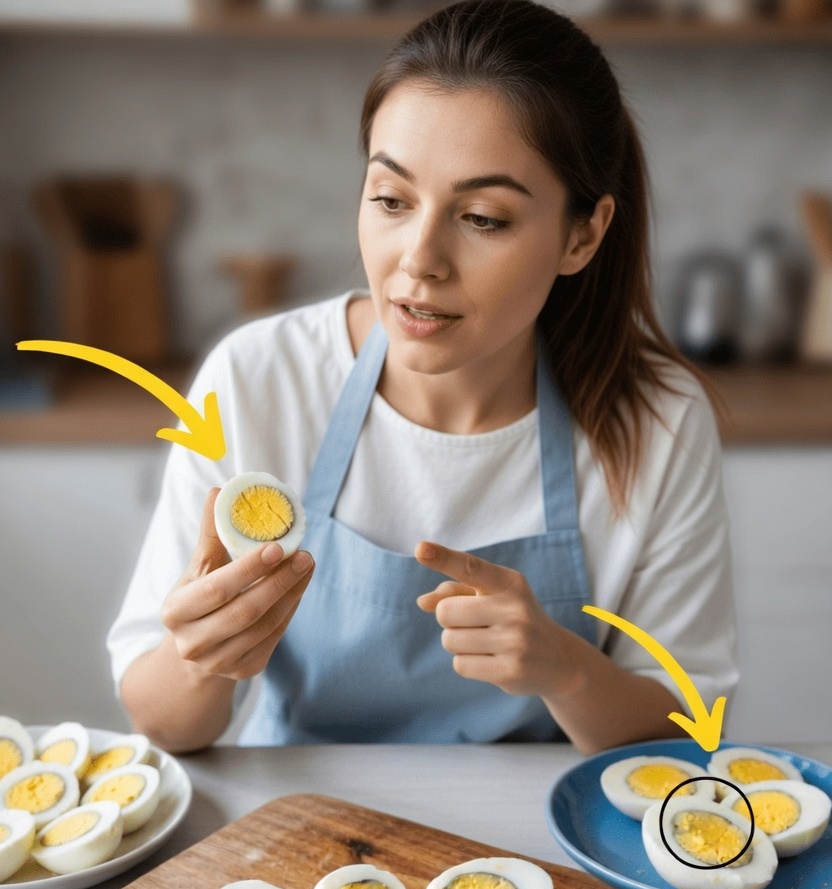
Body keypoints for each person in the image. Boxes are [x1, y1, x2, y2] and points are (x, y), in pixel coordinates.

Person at [108, 0, 737, 755]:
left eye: (482, 218)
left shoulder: (659, 419)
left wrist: (565, 670)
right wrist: (202, 658)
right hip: (298, 838)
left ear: (583, 233)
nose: (419, 260)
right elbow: (161, 720)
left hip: (542, 841)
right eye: (391, 200)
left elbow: (687, 732)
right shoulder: (259, 380)